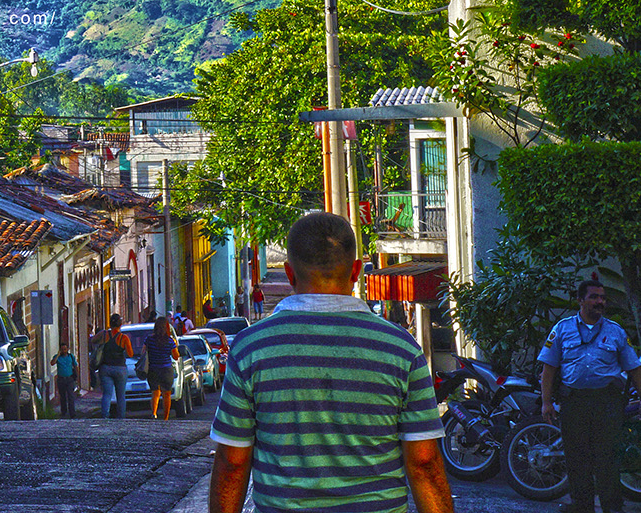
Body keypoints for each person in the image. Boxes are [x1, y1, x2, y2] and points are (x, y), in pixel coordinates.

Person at [209, 212, 452, 513]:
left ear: (289, 273)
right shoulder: (402, 349)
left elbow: (232, 463)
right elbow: (424, 463)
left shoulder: (250, 348)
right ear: (356, 272)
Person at [538, 278, 641, 513]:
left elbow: (634, 368)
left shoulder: (615, 331)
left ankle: (612, 507)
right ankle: (582, 506)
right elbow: (549, 368)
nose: (600, 302)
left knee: (608, 457)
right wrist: (546, 403)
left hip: (607, 403)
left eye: (602, 298)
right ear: (580, 300)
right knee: (577, 458)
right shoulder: (562, 329)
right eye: (594, 297)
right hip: (575, 402)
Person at [94, 313, 134, 419]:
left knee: (107, 394)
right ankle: (121, 417)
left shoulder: (104, 334)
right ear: (120, 324)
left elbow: (92, 341)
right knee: (121, 395)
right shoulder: (123, 338)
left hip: (105, 367)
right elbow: (130, 354)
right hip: (120, 368)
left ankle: (105, 416)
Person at [143, 315, 179, 419]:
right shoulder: (170, 341)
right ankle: (166, 417)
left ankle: (154, 413)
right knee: (166, 394)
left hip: (153, 369)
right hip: (166, 369)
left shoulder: (149, 339)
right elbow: (176, 357)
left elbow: (143, 352)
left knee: (155, 392)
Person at [50, 343, 78, 419]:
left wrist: (76, 376)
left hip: (69, 379)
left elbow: (75, 365)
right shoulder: (57, 357)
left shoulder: (71, 357)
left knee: (70, 396)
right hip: (61, 379)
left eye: (65, 349)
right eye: (62, 350)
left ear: (67, 349)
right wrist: (58, 355)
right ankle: (63, 412)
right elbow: (52, 363)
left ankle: (72, 413)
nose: (64, 351)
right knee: (62, 396)